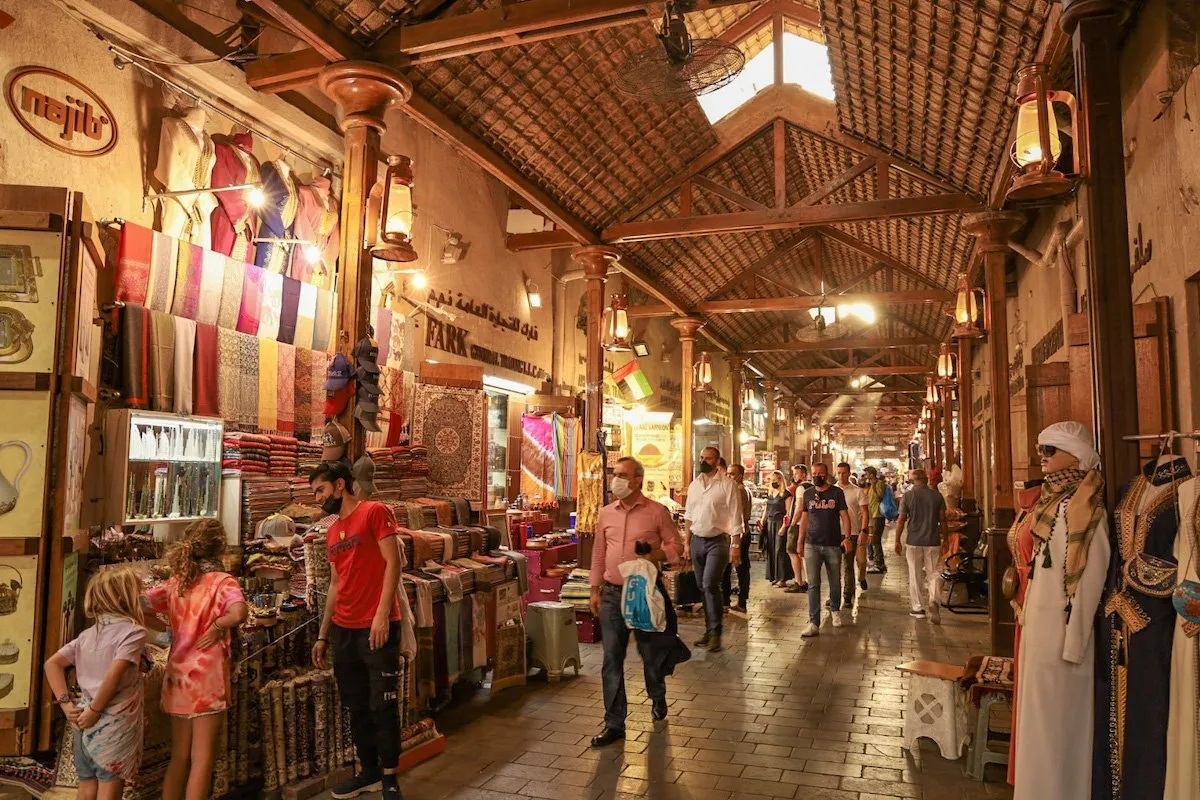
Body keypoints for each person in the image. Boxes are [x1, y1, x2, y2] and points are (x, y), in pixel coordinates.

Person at [310, 460, 405, 800]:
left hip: (376, 625)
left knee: (383, 703)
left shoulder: (375, 512)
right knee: (356, 705)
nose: (318, 498)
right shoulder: (333, 530)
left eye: (320, 490)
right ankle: (369, 772)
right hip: (343, 629)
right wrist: (323, 634)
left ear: (340, 485)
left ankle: (391, 778)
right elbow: (336, 583)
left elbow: (393, 563)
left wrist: (382, 615)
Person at [143, 520, 249, 800]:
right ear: (220, 547)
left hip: (178, 676)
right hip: (206, 680)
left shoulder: (177, 583)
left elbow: (137, 604)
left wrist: (164, 626)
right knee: (202, 759)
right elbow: (239, 613)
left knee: (179, 756)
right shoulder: (223, 582)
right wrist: (217, 626)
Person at [588, 457, 683, 747]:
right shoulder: (605, 513)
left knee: (650, 655)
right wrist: (594, 589)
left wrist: (653, 555)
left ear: (638, 480)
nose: (615, 479)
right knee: (611, 659)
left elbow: (676, 548)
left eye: (622, 475)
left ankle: (657, 695)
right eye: (614, 474)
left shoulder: (656, 512)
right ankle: (614, 723)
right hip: (613, 594)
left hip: (645, 593)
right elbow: (599, 552)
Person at [45, 568, 148, 800]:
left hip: (81, 724)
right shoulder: (133, 632)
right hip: (112, 727)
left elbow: (52, 664)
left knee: (87, 787)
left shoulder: (87, 635)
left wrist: (66, 705)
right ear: (124, 598)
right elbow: (115, 675)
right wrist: (95, 711)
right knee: (109, 789)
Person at [683, 446, 738, 652]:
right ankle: (709, 629)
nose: (703, 461)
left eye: (708, 458)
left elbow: (736, 516)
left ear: (717, 462)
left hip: (718, 540)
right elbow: (689, 516)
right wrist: (687, 544)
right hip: (697, 540)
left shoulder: (727, 485)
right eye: (701, 457)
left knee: (710, 584)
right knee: (701, 586)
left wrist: (736, 545)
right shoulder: (694, 485)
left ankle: (715, 632)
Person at [797, 463, 851, 637]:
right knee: (813, 584)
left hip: (833, 544)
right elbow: (804, 519)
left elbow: (844, 515)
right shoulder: (807, 494)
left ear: (826, 474)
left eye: (820, 473)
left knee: (835, 580)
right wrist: (799, 541)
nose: (817, 476)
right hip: (811, 544)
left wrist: (847, 537)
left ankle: (835, 609)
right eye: (814, 473)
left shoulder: (836, 493)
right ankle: (814, 622)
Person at [894, 469, 948, 623]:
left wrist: (897, 540)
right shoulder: (937, 496)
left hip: (913, 541)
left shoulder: (908, 496)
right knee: (934, 573)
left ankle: (918, 609)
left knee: (915, 574)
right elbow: (943, 520)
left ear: (913, 480)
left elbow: (901, 520)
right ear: (926, 480)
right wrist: (946, 539)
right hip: (933, 540)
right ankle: (934, 600)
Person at [835, 462, 870, 610]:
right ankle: (834, 596)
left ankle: (847, 596)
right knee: (834, 567)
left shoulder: (857, 491)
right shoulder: (832, 490)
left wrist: (864, 530)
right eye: (839, 473)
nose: (841, 476)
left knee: (849, 565)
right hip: (835, 533)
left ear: (849, 474)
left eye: (844, 473)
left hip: (853, 533)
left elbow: (865, 513)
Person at [722, 463, 752, 611]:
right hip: (742, 532)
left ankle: (738, 601)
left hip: (738, 534)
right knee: (741, 568)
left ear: (740, 475)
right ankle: (739, 600)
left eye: (732, 474)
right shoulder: (743, 489)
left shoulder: (739, 490)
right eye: (727, 474)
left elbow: (736, 515)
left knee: (738, 568)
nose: (729, 477)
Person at [783, 464, 812, 593]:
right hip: (809, 524)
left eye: (797, 473)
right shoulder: (811, 487)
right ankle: (808, 582)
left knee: (793, 552)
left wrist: (793, 523)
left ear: (804, 474)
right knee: (803, 555)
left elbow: (799, 507)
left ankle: (798, 582)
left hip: (799, 524)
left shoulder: (801, 488)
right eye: (793, 473)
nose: (794, 476)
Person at [760, 470, 791, 587]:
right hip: (770, 523)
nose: (774, 482)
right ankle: (774, 576)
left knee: (780, 550)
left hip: (780, 523)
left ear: (781, 480)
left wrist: (784, 527)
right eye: (772, 480)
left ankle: (782, 578)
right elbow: (766, 509)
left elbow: (788, 513)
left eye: (776, 480)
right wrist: (762, 522)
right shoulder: (770, 494)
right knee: (771, 550)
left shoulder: (786, 494)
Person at [864, 466, 888, 573]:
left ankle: (880, 564)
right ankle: (877, 562)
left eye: (867, 474)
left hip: (878, 515)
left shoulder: (878, 484)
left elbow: (879, 498)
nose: (865, 476)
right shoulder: (870, 486)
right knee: (872, 540)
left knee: (876, 540)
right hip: (872, 515)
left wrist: (873, 487)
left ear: (871, 475)